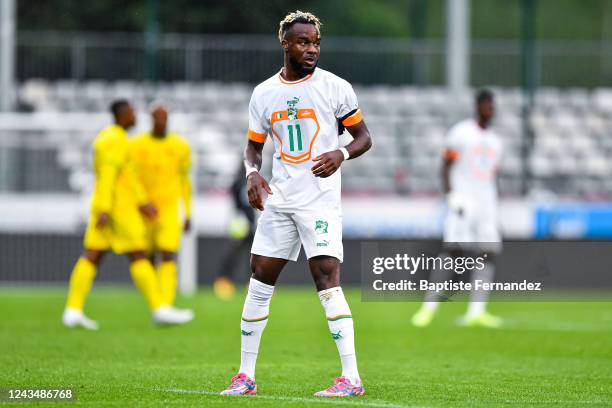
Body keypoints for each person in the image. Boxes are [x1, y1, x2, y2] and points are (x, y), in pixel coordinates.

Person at [220, 10, 372, 397]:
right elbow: (254, 149)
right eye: (303, 42)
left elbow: (364, 138)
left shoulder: (335, 87)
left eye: (316, 42)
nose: (311, 49)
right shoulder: (264, 93)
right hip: (280, 198)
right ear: (285, 43)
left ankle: (351, 378)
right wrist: (252, 173)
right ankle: (245, 376)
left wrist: (341, 154)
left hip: (318, 201)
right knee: (259, 278)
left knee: (325, 277)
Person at [62, 100, 193, 329]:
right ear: (122, 115)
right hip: (118, 209)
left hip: (107, 206)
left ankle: (73, 309)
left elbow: (123, 176)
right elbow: (109, 176)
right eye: (132, 113)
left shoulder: (114, 138)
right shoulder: (114, 141)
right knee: (139, 255)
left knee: (92, 255)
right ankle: (160, 308)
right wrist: (106, 208)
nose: (135, 117)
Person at [412, 89, 503, 328]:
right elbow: (445, 166)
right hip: (463, 200)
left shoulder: (495, 141)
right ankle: (428, 308)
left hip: (486, 203)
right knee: (454, 252)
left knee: (488, 252)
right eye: (487, 105)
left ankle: (477, 311)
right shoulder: (461, 133)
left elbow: (491, 175)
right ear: (478, 107)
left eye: (493, 106)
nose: (490, 110)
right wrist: (451, 195)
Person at [130, 105, 194, 313]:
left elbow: (185, 180)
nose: (160, 121)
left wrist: (188, 212)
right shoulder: (137, 145)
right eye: (157, 117)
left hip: (168, 209)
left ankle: (166, 303)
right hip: (144, 210)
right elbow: (131, 177)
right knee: (146, 257)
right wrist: (140, 201)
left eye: (164, 117)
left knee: (168, 254)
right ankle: (155, 301)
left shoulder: (180, 146)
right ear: (150, 119)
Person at [213, 161, 257, 300]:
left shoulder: (251, 180)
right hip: (240, 223)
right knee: (233, 254)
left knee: (252, 255)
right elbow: (237, 202)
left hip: (249, 223)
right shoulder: (239, 182)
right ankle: (223, 282)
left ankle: (252, 285)